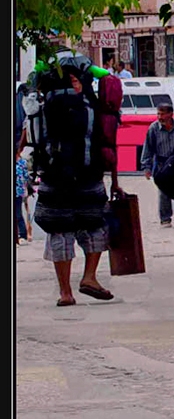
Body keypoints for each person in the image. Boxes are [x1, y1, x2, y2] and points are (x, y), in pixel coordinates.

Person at [33, 62, 121, 306]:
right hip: (89, 174)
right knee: (95, 225)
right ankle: (89, 277)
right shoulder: (91, 104)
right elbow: (108, 140)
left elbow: (31, 137)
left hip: (54, 176)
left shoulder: (43, 105)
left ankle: (65, 292)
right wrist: (114, 181)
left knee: (59, 231)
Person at [141, 103, 174, 227]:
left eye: (162, 114)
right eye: (158, 113)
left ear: (170, 114)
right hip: (162, 164)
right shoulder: (153, 128)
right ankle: (165, 217)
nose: (160, 117)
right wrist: (146, 167)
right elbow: (148, 148)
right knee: (163, 191)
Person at [15, 148, 33, 246]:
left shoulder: (22, 162)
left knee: (18, 214)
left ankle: (23, 235)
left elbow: (25, 177)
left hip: (18, 192)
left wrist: (27, 189)